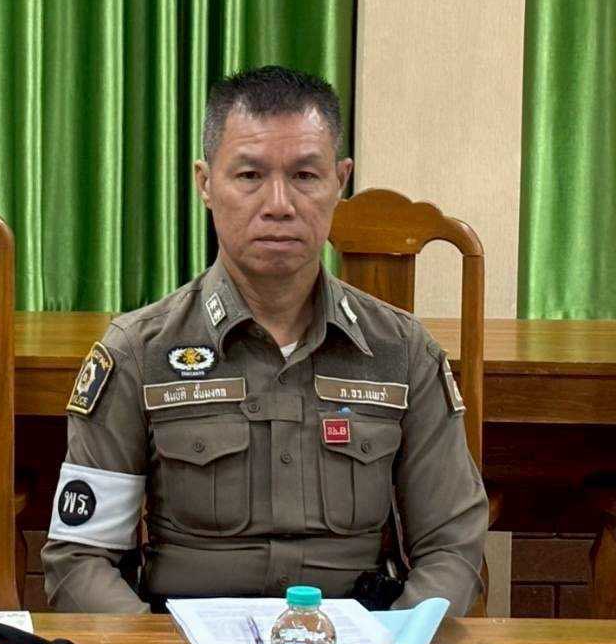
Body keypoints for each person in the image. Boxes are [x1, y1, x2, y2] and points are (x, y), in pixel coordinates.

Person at [41, 66, 487, 614]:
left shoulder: (401, 352)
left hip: (359, 641)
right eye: (250, 175)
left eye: (305, 176)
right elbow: (80, 559)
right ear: (205, 183)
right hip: (183, 643)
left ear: (340, 181)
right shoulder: (139, 353)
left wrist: (399, 642)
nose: (279, 203)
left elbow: (452, 547)